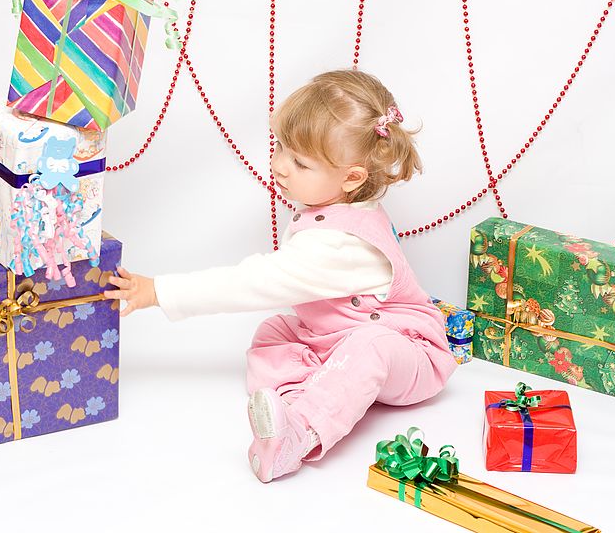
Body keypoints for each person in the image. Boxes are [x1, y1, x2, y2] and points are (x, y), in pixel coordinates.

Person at [104, 69, 456, 483]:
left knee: (370, 345)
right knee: (274, 332)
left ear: (352, 177)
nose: (281, 167)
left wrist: (160, 290)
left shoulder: (340, 248)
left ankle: (299, 433)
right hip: (332, 338)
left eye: (300, 162)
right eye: (281, 148)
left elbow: (252, 282)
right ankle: (301, 398)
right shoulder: (339, 206)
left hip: (408, 354)